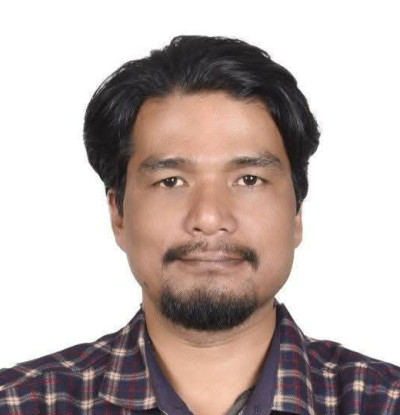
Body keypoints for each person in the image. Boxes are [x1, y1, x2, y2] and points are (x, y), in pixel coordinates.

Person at [0, 34, 399, 415]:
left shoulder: (383, 402)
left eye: (249, 179)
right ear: (118, 213)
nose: (209, 218)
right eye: (171, 181)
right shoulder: (22, 403)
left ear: (297, 213)